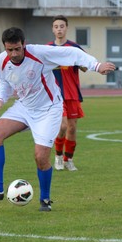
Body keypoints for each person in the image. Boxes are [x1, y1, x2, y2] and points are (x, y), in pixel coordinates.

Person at [0, 27, 116, 211]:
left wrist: (96, 66)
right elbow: (5, 82)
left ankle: (45, 200)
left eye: (17, 49)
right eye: (10, 50)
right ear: (5, 47)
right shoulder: (3, 59)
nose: (14, 53)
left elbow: (72, 52)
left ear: (24, 44)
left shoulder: (39, 53)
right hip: (24, 107)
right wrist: (0, 99)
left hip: (48, 110)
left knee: (41, 157)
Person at [48, 15, 86, 171]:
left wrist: (76, 61)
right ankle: (57, 156)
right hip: (56, 94)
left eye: (62, 26)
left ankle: (68, 159)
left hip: (72, 93)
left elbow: (85, 66)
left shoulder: (74, 48)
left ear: (66, 28)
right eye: (56, 26)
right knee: (62, 126)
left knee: (72, 128)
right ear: (53, 29)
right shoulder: (48, 49)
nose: (59, 29)